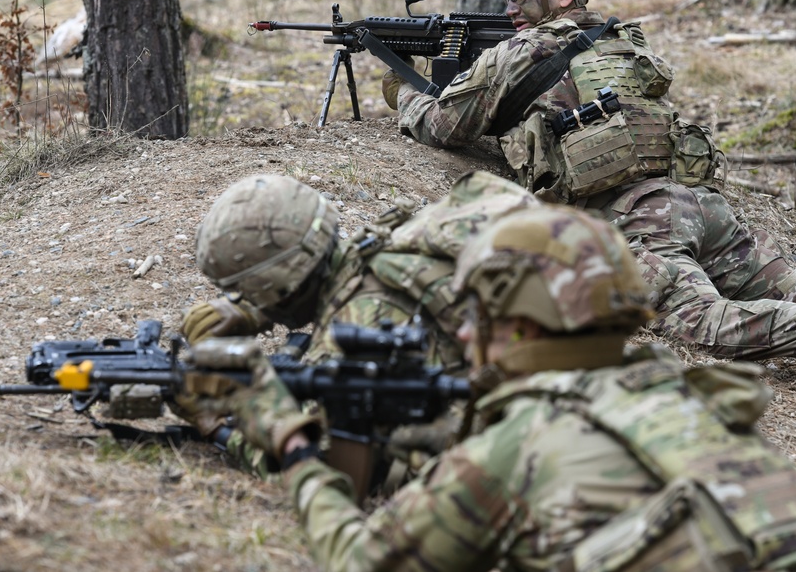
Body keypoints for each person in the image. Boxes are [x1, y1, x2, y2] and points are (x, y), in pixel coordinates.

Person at [181, 204, 796, 571]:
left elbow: (359, 559)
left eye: (481, 319)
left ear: (525, 327)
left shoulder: (509, 449)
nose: (465, 336)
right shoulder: (678, 390)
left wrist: (289, 443)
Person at [383, 0, 796, 398]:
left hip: (639, 219)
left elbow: (442, 126)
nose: (509, 8)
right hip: (699, 205)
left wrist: (401, 87)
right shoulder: (621, 40)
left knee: (702, 321)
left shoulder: (520, 53)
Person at [176, 170, 539, 489]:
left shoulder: (356, 327)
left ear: (283, 288)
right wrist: (256, 311)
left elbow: (325, 472)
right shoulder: (393, 238)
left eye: (250, 291)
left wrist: (218, 425)